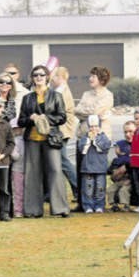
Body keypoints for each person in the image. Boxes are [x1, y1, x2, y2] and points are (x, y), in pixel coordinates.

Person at [18, 65, 70, 218]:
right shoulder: (27, 98)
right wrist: (31, 119)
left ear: (47, 77)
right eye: (35, 75)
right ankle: (33, 209)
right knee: (32, 173)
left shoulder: (56, 96)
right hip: (32, 139)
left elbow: (62, 117)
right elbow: (21, 121)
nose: (39, 78)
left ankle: (60, 208)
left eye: (42, 75)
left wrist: (45, 119)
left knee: (55, 170)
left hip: (51, 138)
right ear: (32, 78)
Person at [74, 66, 113, 211]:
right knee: (82, 170)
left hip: (99, 139)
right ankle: (83, 203)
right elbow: (76, 111)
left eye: (93, 76)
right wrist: (87, 112)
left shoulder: (107, 95)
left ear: (101, 79)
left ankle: (98, 203)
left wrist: (87, 112)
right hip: (83, 136)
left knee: (97, 173)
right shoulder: (86, 94)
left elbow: (95, 113)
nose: (90, 79)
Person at [51, 66, 78, 202]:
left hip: (61, 130)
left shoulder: (60, 92)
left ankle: (78, 189)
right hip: (64, 130)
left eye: (54, 76)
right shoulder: (62, 90)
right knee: (63, 161)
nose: (51, 79)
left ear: (60, 78)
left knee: (63, 161)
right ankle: (77, 191)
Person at [77, 115, 111, 213]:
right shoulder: (85, 137)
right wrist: (88, 141)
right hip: (87, 167)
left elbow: (105, 147)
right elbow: (81, 149)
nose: (93, 129)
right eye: (91, 126)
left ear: (99, 126)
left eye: (96, 126)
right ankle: (88, 205)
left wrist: (95, 141)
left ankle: (99, 205)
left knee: (100, 187)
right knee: (88, 188)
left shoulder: (103, 137)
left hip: (100, 167)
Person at [107, 120, 136, 212]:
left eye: (131, 131)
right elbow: (111, 170)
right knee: (111, 189)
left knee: (124, 190)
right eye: (125, 132)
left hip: (131, 179)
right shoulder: (119, 154)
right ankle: (113, 205)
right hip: (120, 179)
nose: (127, 134)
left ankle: (125, 205)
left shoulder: (138, 145)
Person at [10, 117, 25, 218]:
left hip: (18, 168)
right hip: (19, 168)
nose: (17, 130)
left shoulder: (15, 141)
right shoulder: (23, 140)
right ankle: (18, 210)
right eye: (15, 128)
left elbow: (15, 156)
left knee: (18, 190)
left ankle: (19, 210)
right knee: (19, 191)